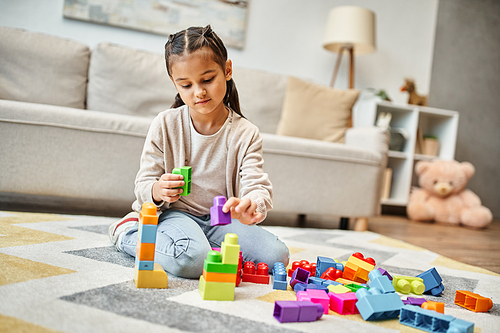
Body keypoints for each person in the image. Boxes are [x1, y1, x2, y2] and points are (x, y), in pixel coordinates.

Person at [108, 25, 289, 278]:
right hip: (174, 215)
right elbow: (144, 183)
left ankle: (201, 246)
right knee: (191, 261)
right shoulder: (165, 124)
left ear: (227, 70)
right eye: (186, 85)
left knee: (276, 256)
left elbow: (256, 185)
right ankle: (126, 232)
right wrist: (158, 190)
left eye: (207, 80)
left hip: (219, 221)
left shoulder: (246, 132)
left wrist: (251, 204)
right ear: (175, 84)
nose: (199, 92)